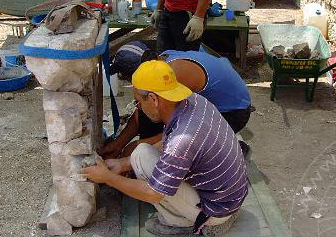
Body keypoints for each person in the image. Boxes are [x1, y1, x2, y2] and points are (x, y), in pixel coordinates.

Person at [83, 61, 247, 237]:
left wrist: (108, 178)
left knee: (153, 186)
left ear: (153, 99)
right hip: (230, 195)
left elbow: (153, 194)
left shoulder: (181, 141)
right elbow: (165, 148)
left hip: (218, 209)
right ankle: (202, 214)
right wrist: (121, 165)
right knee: (140, 153)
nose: (138, 107)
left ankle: (186, 222)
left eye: (138, 102)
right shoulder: (194, 101)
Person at [99, 47, 252, 159]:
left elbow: (181, 126)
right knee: (150, 114)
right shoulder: (161, 62)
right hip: (216, 103)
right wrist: (118, 144)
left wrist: (142, 146)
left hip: (233, 113)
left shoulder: (176, 75)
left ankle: (227, 147)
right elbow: (142, 110)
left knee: (176, 148)